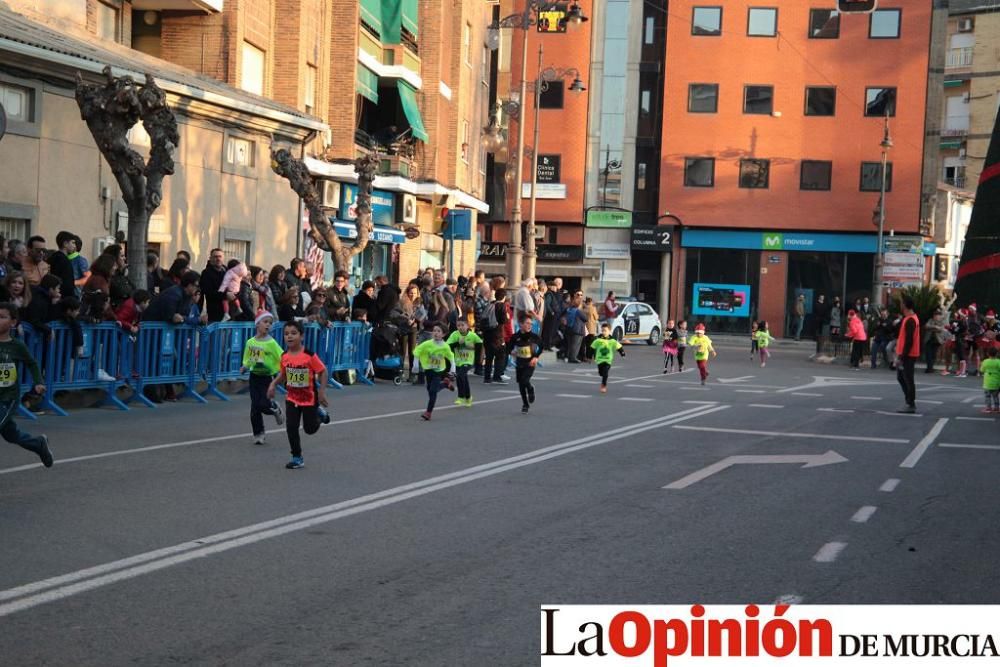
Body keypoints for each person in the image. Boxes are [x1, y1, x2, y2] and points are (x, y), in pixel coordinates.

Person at [267, 320, 328, 469]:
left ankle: (320, 416)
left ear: (302, 336)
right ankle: (297, 457)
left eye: (294, 333)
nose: (289, 337)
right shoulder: (284, 356)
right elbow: (283, 374)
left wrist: (321, 392)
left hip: (309, 398)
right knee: (291, 427)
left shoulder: (309, 355)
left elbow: (323, 371)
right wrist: (273, 384)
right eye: (286, 334)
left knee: (310, 429)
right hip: (292, 398)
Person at [0, 302, 53, 468]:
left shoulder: (16, 346)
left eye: (2, 317)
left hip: (7, 398)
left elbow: (32, 363)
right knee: (11, 435)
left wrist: (38, 382)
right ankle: (38, 444)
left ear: (13, 322)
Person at [241, 312, 285, 445]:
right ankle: (258, 433)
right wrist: (244, 367)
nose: (268, 325)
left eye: (270, 323)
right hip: (254, 377)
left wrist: (283, 370)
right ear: (257, 324)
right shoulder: (251, 342)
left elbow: (282, 356)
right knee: (255, 407)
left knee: (263, 405)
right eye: (265, 322)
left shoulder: (271, 343)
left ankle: (274, 407)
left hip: (267, 378)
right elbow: (248, 359)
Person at [413, 322, 456, 421]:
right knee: (430, 389)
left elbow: (451, 357)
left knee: (433, 391)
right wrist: (415, 364)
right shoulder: (427, 344)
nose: (436, 333)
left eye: (438, 331)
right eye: (434, 331)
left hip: (438, 371)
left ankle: (428, 412)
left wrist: (453, 369)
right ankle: (445, 384)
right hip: (428, 370)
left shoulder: (445, 346)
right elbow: (417, 351)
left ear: (443, 334)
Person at [507, 315, 543, 413]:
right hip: (520, 363)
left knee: (524, 380)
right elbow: (509, 347)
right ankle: (525, 404)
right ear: (521, 324)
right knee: (521, 384)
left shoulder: (534, 337)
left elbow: (541, 346)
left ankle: (530, 389)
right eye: (527, 323)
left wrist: (536, 357)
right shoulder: (515, 337)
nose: (529, 325)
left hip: (530, 363)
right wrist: (511, 352)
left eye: (531, 323)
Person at [446, 319, 482, 406]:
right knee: (462, 377)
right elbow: (447, 346)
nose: (460, 327)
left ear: (467, 326)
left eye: (462, 325)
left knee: (461, 375)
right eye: (458, 325)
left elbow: (480, 345)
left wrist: (473, 348)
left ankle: (461, 397)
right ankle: (468, 397)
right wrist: (458, 343)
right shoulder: (455, 335)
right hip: (458, 361)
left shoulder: (473, 336)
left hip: (468, 360)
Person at [896, 296, 921, 414]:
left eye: (901, 303)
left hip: (908, 355)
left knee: (908, 378)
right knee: (901, 377)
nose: (900, 305)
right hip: (906, 353)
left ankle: (911, 403)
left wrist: (902, 356)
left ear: (905, 305)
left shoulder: (911, 320)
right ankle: (909, 401)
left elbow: (909, 340)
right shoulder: (909, 318)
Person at [591, 322, 625, 393]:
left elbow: (619, 346)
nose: (603, 332)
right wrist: (590, 355)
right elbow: (592, 347)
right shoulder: (598, 339)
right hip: (599, 359)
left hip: (608, 360)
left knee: (605, 373)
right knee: (601, 373)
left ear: (609, 331)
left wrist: (622, 353)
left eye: (605, 330)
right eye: (602, 330)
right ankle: (602, 376)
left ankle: (603, 385)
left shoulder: (612, 340)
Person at [199, 248, 227, 322]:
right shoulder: (206, 273)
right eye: (215, 256)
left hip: (227, 314)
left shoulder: (227, 272)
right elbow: (208, 292)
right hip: (213, 313)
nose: (218, 259)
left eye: (220, 256)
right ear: (210, 258)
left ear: (223, 258)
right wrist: (225, 295)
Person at [47, 231, 77, 301]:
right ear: (65, 244)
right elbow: (67, 283)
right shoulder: (63, 260)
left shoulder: (53, 257)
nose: (74, 246)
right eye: (73, 243)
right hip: (63, 299)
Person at [922, 309, 947, 374]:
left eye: (938, 315)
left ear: (940, 316)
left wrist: (933, 328)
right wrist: (935, 327)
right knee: (928, 354)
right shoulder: (930, 320)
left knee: (933, 355)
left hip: (937, 341)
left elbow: (941, 329)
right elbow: (926, 326)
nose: (936, 316)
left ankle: (930, 367)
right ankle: (929, 368)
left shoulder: (942, 322)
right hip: (929, 340)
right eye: (935, 315)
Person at [980, 347, 1000, 413]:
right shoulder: (998, 362)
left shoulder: (985, 361)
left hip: (987, 382)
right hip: (997, 382)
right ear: (997, 354)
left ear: (988, 354)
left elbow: (982, 370)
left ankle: (988, 408)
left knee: (987, 396)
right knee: (996, 396)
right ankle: (997, 408)